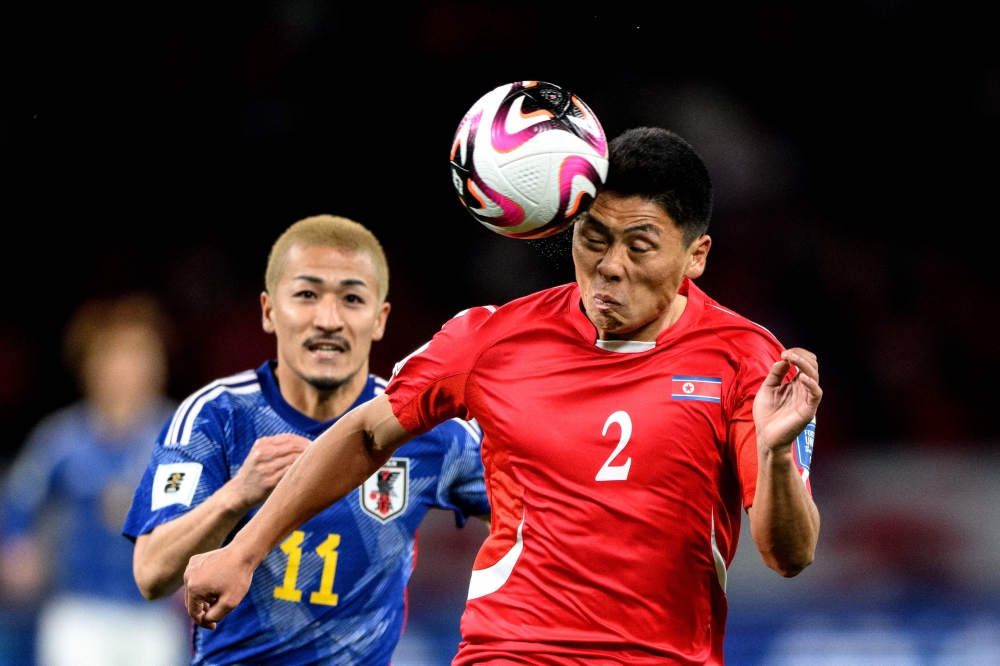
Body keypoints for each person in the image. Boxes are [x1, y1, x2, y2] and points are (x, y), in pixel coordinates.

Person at [183, 130, 822, 665]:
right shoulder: (493, 338)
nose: (610, 265)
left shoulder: (747, 359)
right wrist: (245, 550)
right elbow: (364, 433)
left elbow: (788, 555)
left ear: (696, 255)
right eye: (593, 238)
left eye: (640, 245)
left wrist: (774, 455)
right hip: (511, 649)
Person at [124, 215, 489, 665]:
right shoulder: (216, 416)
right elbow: (150, 575)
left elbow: (533, 517)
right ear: (269, 311)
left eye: (352, 299)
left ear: (380, 319)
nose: (329, 319)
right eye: (307, 295)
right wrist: (236, 495)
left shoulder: (423, 428)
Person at [0, 296, 187, 666]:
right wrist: (17, 547)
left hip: (153, 616)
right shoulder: (62, 439)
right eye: (113, 356)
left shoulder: (179, 441)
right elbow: (18, 501)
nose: (125, 370)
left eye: (138, 356)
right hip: (78, 612)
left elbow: (209, 512)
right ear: (88, 365)